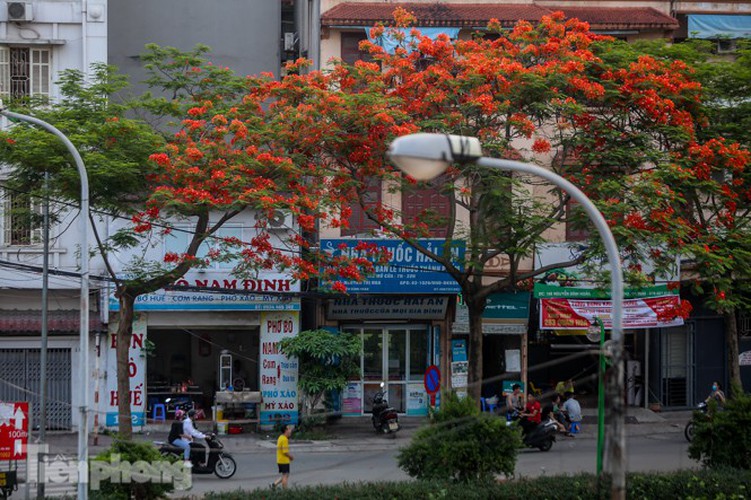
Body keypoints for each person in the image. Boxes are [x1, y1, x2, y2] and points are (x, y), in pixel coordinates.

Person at [271, 424, 294, 489]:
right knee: (285, 476)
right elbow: (285, 452)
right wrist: (291, 457)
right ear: (285, 431)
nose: (290, 430)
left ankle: (274, 485)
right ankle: (285, 492)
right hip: (284, 460)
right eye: (289, 429)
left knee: (285, 475)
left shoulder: (280, 437)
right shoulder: (284, 439)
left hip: (280, 460)